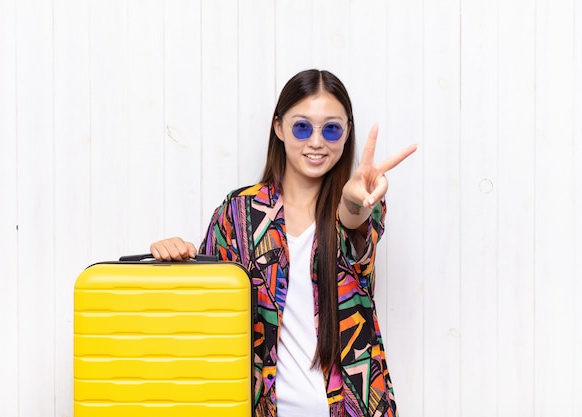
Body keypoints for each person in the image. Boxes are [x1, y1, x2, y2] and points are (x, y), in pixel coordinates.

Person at [150, 69, 416, 417]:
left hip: (354, 407)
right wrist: (175, 258)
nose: (317, 142)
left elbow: (355, 231)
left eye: (331, 128)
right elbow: (206, 311)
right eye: (302, 127)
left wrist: (354, 202)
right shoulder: (240, 212)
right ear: (279, 127)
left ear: (347, 132)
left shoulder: (364, 203)